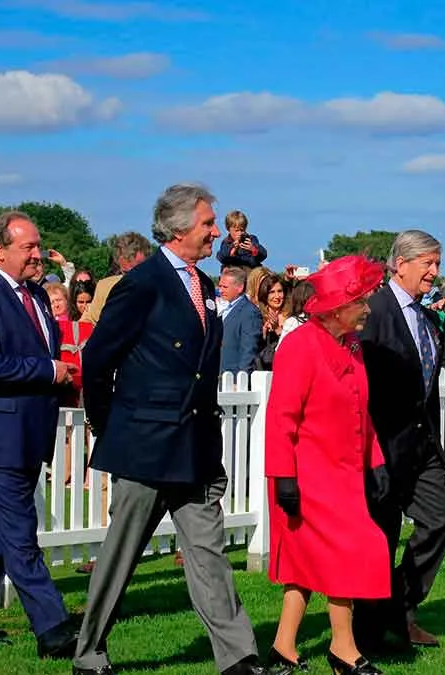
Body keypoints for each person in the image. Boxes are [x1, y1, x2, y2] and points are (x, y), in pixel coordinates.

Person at [74, 184, 264, 675]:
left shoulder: (201, 283)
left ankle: (238, 657)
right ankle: (89, 652)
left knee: (209, 555)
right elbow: (97, 358)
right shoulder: (143, 282)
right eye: (207, 224)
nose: (216, 232)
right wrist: (108, 423)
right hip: (145, 445)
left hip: (196, 444)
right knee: (122, 555)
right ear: (179, 228)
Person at [0, 211, 78, 657]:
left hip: (27, 432)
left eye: (38, 246)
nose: (37, 254)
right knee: (21, 532)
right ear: (0, 250)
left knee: (0, 533)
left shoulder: (38, 297)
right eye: (28, 247)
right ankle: (53, 627)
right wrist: (48, 370)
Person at [265, 255, 390, 675]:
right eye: (362, 302)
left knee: (307, 563)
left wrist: (376, 463)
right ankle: (344, 649)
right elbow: (281, 418)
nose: (369, 310)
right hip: (307, 475)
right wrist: (284, 478)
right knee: (351, 552)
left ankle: (283, 649)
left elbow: (361, 409)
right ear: (338, 307)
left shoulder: (352, 346)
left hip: (344, 474)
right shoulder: (300, 345)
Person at [357, 230, 445, 650]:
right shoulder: (374, 310)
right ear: (400, 264)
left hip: (422, 446)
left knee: (442, 517)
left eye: (437, 264)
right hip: (382, 446)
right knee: (380, 537)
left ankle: (400, 605)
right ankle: (369, 633)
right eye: (427, 264)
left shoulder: (426, 316)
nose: (434, 273)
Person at [81, 232, 152, 325]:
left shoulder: (164, 290)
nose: (130, 278)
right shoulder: (104, 287)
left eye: (137, 272)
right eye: (125, 273)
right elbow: (88, 322)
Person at [218, 266, 262, 376]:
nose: (220, 290)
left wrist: (240, 379)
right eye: (220, 286)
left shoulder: (249, 312)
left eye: (225, 287)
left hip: (234, 377)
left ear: (239, 288)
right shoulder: (228, 308)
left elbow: (249, 349)